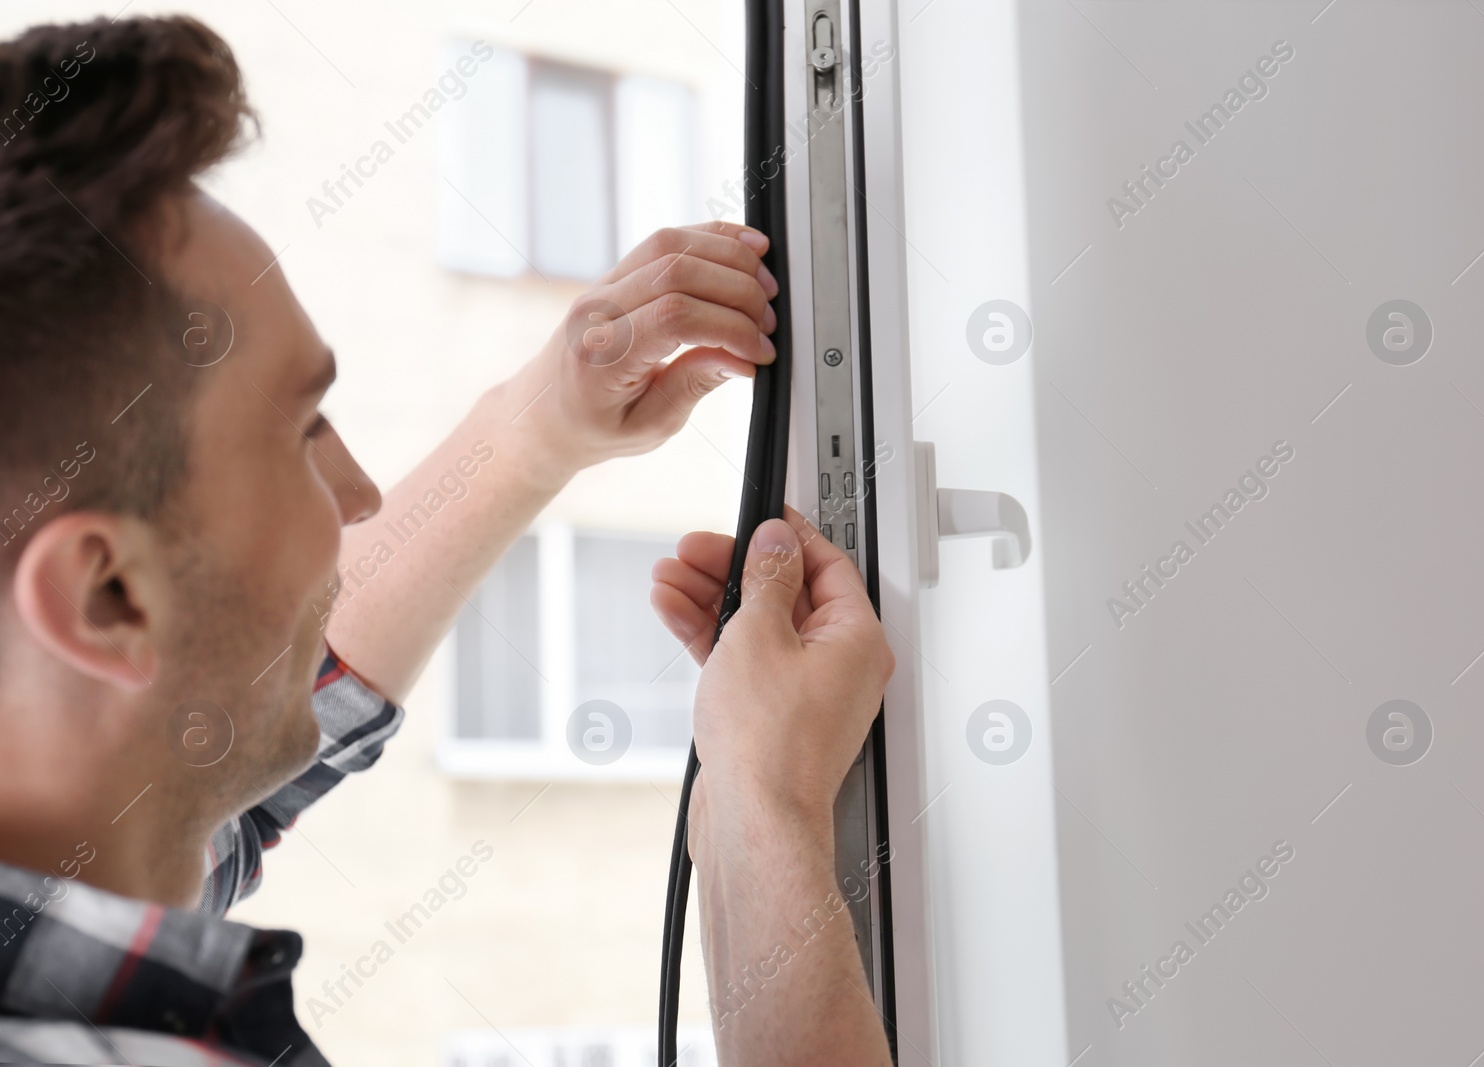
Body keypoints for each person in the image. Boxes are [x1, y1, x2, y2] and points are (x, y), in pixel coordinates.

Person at [0, 14, 893, 1067]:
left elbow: (237, 713)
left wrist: (535, 428)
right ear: (109, 597)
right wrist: (767, 805)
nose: (361, 493)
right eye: (301, 433)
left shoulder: (70, 867)